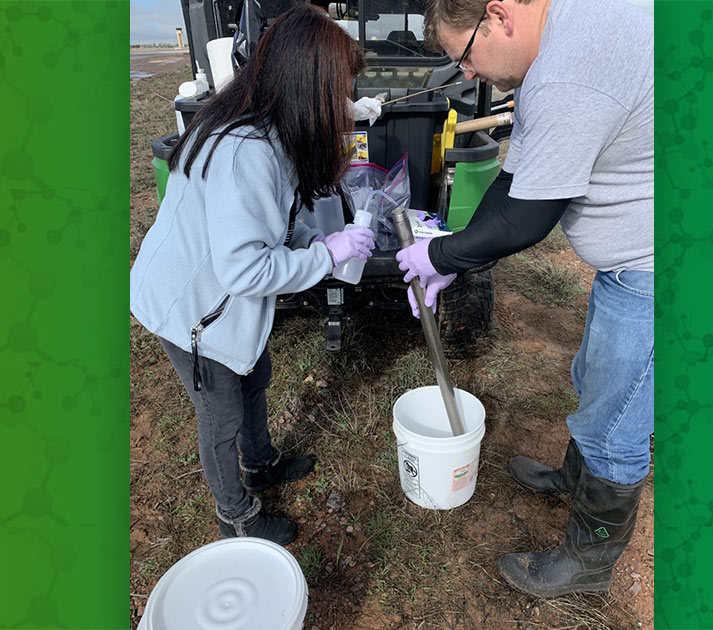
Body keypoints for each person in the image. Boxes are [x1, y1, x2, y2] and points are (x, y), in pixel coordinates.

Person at [405, 0, 653, 597]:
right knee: (596, 380)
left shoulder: (569, 69)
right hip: (631, 264)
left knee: (618, 423)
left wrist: (436, 258)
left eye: (463, 55)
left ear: (498, 17)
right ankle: (577, 474)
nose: (467, 76)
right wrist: (459, 250)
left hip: (656, 266)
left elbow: (525, 219)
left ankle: (589, 563)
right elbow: (517, 182)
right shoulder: (567, 39)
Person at [129, 6, 375, 546]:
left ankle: (260, 461)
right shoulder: (247, 153)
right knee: (219, 417)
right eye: (340, 91)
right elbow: (244, 268)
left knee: (255, 374)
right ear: (307, 86)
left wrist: (313, 239)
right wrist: (327, 256)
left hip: (222, 301)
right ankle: (235, 515)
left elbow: (271, 224)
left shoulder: (270, 129)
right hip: (193, 308)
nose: (345, 105)